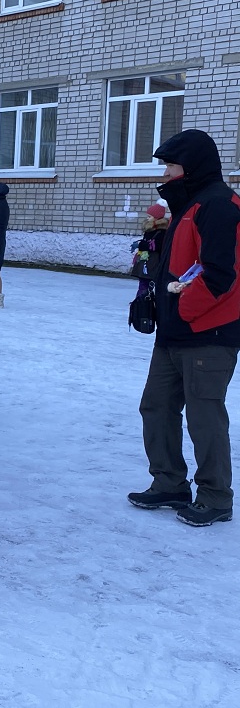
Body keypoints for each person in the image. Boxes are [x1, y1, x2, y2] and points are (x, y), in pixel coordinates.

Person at [127, 129, 240, 527]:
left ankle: (215, 496)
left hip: (207, 335)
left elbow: (221, 274)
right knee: (156, 406)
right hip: (173, 333)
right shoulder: (190, 204)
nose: (167, 174)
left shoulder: (220, 205)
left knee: (204, 415)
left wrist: (185, 311)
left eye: (171, 166)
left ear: (191, 167)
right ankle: (170, 483)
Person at [129, 199, 170, 298]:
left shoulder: (161, 231)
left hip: (153, 264)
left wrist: (140, 245)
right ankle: (140, 302)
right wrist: (140, 243)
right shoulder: (150, 229)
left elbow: (155, 246)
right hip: (145, 261)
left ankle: (143, 302)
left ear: (156, 218)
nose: (147, 219)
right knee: (143, 283)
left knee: (147, 284)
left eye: (149, 216)